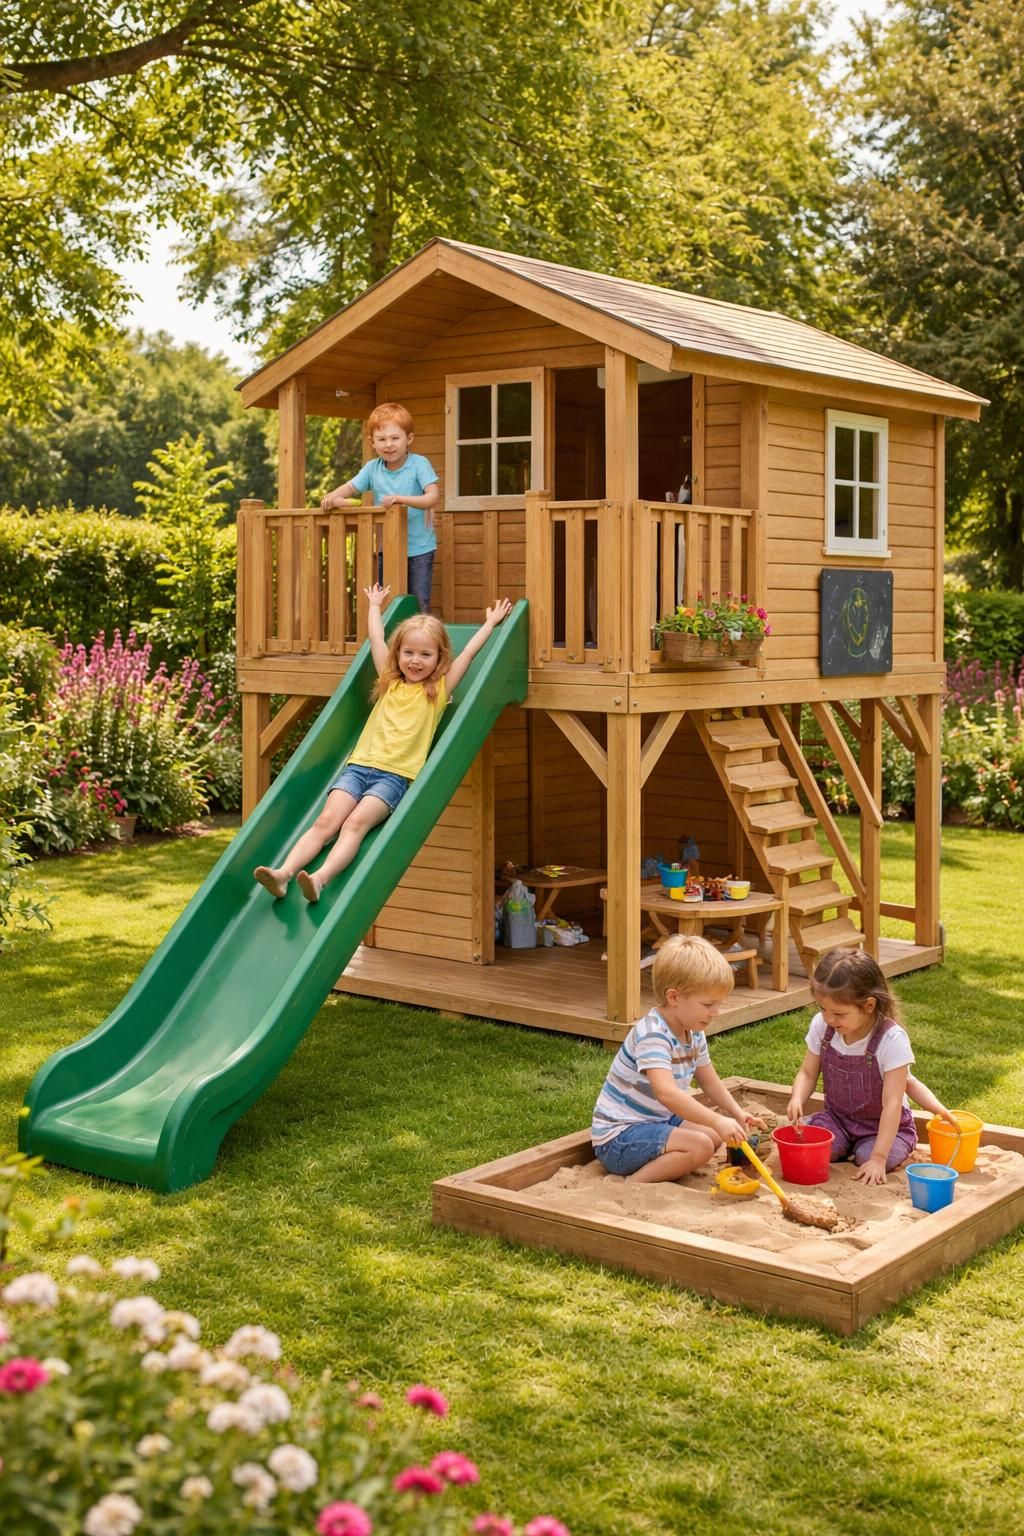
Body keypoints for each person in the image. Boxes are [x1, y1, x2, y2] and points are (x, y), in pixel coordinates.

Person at [254, 584, 512, 904]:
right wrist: (375, 606)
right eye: (408, 653)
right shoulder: (389, 682)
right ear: (398, 654)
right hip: (358, 767)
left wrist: (490, 624)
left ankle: (320, 879)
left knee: (355, 824)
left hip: (393, 777)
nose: (415, 661)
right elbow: (377, 639)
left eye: (425, 655)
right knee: (326, 821)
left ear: (439, 659)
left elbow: (469, 653)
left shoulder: (438, 691)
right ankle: (283, 874)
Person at [591, 934, 766, 1183]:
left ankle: (666, 1160)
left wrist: (736, 1112)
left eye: (718, 1004)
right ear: (673, 997)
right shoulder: (653, 1033)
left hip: (655, 1120)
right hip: (619, 1138)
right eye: (708, 1004)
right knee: (701, 1146)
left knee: (715, 1136)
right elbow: (667, 1094)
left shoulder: (692, 1031)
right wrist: (717, 1118)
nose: (715, 1013)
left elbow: (709, 1080)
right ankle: (634, 1184)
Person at [786, 947, 955, 1186]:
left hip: (885, 1128)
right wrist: (797, 1098)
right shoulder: (823, 1028)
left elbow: (892, 1104)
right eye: (822, 1009)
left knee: (867, 1157)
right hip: (838, 1119)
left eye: (839, 1013)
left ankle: (871, 1150)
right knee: (815, 1145)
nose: (829, 1019)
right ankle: (845, 1143)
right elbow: (807, 1072)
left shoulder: (891, 1039)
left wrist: (878, 1157)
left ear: (869, 1005)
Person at [320, 403, 440, 613]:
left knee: (419, 603)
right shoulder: (372, 469)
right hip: (389, 549)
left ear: (408, 439)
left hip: (420, 549)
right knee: (390, 603)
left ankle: (423, 643)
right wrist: (332, 498)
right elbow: (349, 488)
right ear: (372, 443)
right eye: (382, 439)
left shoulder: (419, 464)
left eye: (395, 438)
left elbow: (432, 497)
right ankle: (393, 644)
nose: (389, 445)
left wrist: (400, 499)